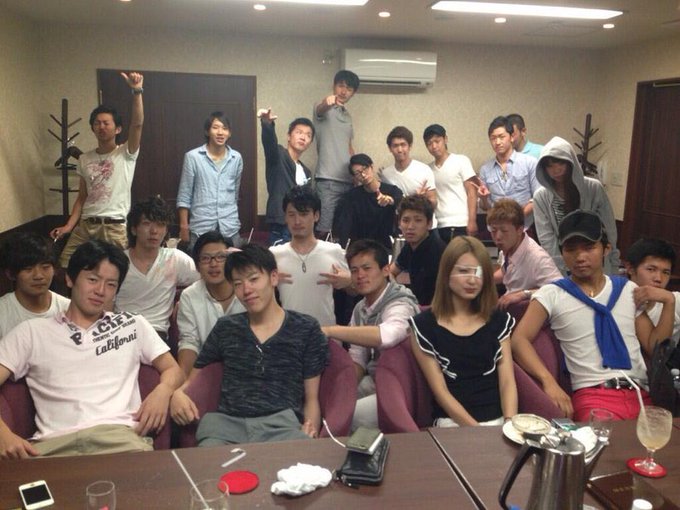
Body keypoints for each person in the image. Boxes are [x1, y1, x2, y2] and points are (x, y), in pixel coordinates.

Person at [0, 240, 184, 459]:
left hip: (119, 439)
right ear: (70, 279)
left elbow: (173, 369)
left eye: (111, 284)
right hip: (53, 447)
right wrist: (4, 434)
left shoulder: (132, 324)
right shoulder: (31, 332)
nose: (100, 291)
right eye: (93, 280)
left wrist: (162, 391)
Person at [511, 210, 675, 421]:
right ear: (562, 253)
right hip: (593, 396)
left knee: (660, 442)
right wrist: (548, 381)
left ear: (606, 249)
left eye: (589, 248)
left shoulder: (627, 290)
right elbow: (519, 340)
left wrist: (669, 302)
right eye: (571, 249)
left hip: (641, 394)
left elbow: (654, 347)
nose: (580, 257)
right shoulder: (552, 294)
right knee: (607, 442)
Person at [170, 244, 329, 445]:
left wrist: (310, 429)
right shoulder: (226, 327)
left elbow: (312, 398)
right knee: (205, 464)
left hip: (281, 428)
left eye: (254, 279)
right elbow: (195, 379)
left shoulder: (305, 328)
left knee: (297, 463)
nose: (247, 290)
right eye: (238, 283)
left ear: (273, 277)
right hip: (227, 428)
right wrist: (177, 393)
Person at [410, 236, 518, 427]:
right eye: (463, 271)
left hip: (499, 423)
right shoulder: (424, 326)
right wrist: (476, 431)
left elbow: (507, 381)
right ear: (446, 273)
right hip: (452, 423)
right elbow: (441, 392)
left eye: (478, 272)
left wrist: (510, 424)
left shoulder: (498, 320)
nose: (472, 280)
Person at [322, 239, 419, 429]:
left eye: (367, 268)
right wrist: (342, 389)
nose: (360, 276)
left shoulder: (401, 302)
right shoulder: (360, 308)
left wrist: (330, 330)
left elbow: (388, 335)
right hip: (374, 379)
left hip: (403, 384)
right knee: (331, 405)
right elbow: (358, 358)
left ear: (385, 270)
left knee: (351, 416)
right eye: (354, 270)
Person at [51, 72, 145, 267]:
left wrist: (137, 91)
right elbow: (82, 197)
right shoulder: (84, 159)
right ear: (93, 128)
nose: (101, 126)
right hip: (86, 226)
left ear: (118, 129)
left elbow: (137, 124)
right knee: (65, 264)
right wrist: (68, 226)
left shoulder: (126, 153)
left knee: (119, 272)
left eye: (106, 123)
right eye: (97, 123)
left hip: (114, 227)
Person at [115, 197, 199, 343]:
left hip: (156, 335)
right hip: (120, 333)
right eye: (146, 224)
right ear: (134, 229)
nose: (154, 231)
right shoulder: (118, 261)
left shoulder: (175, 258)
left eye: (160, 225)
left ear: (166, 230)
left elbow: (206, 281)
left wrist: (186, 300)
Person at [534, 136, 620, 275]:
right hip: (562, 264)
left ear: (571, 162)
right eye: (549, 166)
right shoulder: (541, 197)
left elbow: (609, 228)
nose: (555, 170)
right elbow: (546, 238)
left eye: (560, 163)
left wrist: (613, 260)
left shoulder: (593, 188)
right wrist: (565, 268)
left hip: (594, 260)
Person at [270, 186, 351, 327]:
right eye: (291, 214)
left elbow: (357, 289)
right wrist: (268, 283)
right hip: (289, 333)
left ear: (316, 216)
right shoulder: (274, 255)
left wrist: (349, 281)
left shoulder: (334, 251)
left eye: (304, 214)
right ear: (285, 217)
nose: (297, 221)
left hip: (326, 332)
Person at [176, 231, 245, 376]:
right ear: (197, 266)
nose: (214, 264)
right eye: (206, 258)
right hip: (206, 372)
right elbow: (189, 342)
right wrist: (188, 383)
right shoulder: (189, 296)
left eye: (221, 257)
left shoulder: (247, 290)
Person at [177, 112, 244, 249]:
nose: (220, 132)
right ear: (207, 131)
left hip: (230, 228)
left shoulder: (236, 158)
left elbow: (235, 194)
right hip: (201, 228)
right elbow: (184, 195)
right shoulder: (193, 157)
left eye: (224, 128)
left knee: (232, 262)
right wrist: (184, 227)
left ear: (229, 133)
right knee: (200, 262)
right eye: (215, 127)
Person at [487, 199, 561, 309]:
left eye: (504, 231)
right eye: (493, 230)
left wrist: (524, 294)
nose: (498, 237)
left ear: (519, 230)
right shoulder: (508, 248)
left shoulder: (537, 257)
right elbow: (506, 271)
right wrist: (484, 279)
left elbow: (559, 291)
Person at [313, 70, 360, 238]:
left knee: (343, 230)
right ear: (334, 86)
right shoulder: (323, 109)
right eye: (341, 86)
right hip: (328, 181)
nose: (344, 91)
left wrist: (356, 173)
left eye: (349, 88)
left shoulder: (348, 116)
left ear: (353, 93)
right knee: (324, 229)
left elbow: (349, 146)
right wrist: (327, 102)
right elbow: (321, 108)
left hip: (348, 181)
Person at [258, 107, 314, 246]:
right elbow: (269, 142)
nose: (303, 137)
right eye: (299, 132)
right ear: (289, 136)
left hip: (300, 224)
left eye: (308, 135)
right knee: (280, 259)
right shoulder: (278, 155)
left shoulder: (306, 171)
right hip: (280, 222)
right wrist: (267, 124)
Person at [0, 232, 70, 339]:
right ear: (10, 274)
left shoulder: (68, 308)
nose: (38, 276)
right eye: (28, 269)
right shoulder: (3, 312)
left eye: (45, 267)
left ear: (54, 270)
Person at [478, 116, 540, 230]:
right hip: (498, 230)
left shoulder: (530, 162)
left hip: (525, 227)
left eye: (502, 137)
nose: (497, 142)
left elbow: (538, 197)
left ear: (511, 137)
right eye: (493, 138)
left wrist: (515, 219)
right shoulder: (485, 169)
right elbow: (485, 207)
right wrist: (483, 198)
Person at [333, 153, 403, 251]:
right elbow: (344, 225)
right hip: (361, 247)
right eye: (358, 173)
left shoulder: (392, 191)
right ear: (354, 177)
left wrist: (391, 201)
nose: (363, 175)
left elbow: (401, 204)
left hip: (386, 246)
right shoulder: (351, 197)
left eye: (365, 169)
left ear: (372, 167)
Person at [423, 124, 478, 242]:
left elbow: (472, 192)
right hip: (438, 225)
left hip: (461, 223)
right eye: (429, 143)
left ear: (445, 139)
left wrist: (472, 221)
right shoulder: (427, 169)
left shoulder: (461, 160)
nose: (434, 146)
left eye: (437, 141)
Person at [390, 195, 446, 306]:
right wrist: (400, 293)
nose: (410, 226)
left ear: (429, 224)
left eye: (418, 220)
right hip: (417, 307)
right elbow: (390, 272)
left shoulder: (438, 250)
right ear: (399, 224)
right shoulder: (409, 247)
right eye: (406, 220)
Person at [625, 238, 680, 346]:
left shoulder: (675, 299)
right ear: (630, 268)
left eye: (666, 272)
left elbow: (659, 352)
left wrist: (669, 301)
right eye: (651, 269)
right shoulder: (617, 297)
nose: (659, 278)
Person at [381, 126, 437, 228]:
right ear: (390, 148)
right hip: (401, 228)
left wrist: (421, 199)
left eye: (403, 145)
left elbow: (433, 202)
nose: (400, 150)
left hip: (425, 228)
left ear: (410, 146)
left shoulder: (424, 169)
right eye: (395, 146)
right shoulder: (386, 174)